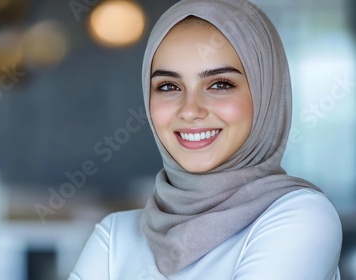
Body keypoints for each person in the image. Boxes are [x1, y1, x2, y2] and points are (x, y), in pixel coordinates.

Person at [69, 0, 343, 279]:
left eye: (220, 84)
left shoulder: (302, 217)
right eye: (168, 86)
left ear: (265, 93)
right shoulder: (116, 235)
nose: (190, 110)